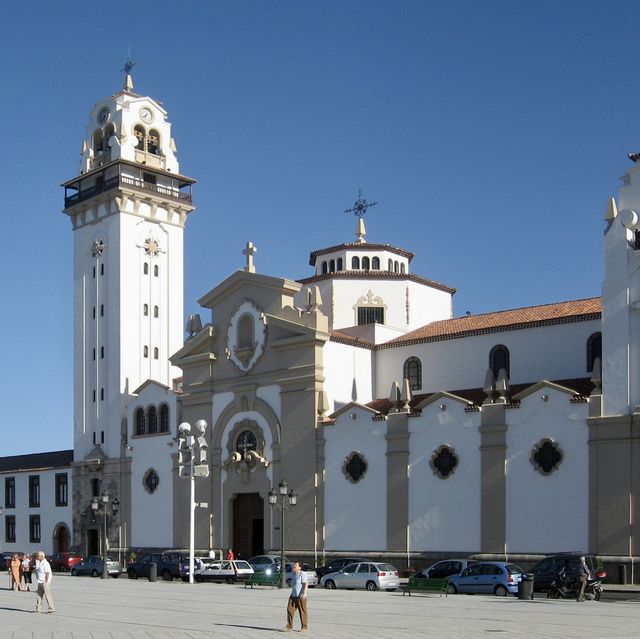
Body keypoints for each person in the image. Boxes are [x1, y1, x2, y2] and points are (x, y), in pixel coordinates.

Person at [283, 562, 308, 632]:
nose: (294, 566)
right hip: (293, 595)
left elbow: (305, 584)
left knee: (302, 611)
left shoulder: (302, 574)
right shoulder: (293, 574)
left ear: (299, 567)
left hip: (300, 596)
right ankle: (289, 626)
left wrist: (304, 593)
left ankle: (304, 627)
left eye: (296, 565)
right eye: (294, 565)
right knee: (289, 610)